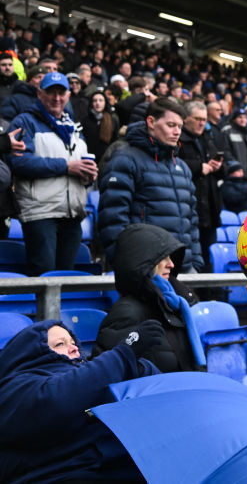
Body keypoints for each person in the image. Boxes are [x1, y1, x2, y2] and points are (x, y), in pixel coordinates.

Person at [0, 319, 162, 483]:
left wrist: (138, 368)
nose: (74, 347)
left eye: (73, 342)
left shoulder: (94, 376)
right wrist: (123, 355)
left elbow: (159, 389)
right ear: (30, 355)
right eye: (60, 344)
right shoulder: (14, 388)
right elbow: (58, 400)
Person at [98, 97, 203, 273]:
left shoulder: (182, 167)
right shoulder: (125, 159)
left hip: (183, 268)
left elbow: (191, 220)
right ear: (151, 122)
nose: (177, 132)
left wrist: (196, 262)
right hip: (145, 268)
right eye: (171, 125)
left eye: (180, 126)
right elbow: (113, 218)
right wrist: (129, 264)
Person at [9, 72, 96, 275]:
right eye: (51, 92)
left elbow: (78, 163)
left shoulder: (74, 127)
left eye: (61, 93)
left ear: (68, 96)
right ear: (39, 94)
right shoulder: (25, 121)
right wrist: (67, 166)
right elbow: (20, 162)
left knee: (67, 276)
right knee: (44, 274)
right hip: (41, 212)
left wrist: (88, 174)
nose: (56, 98)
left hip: (72, 212)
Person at [92, 223, 203, 372]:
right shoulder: (126, 313)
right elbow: (107, 372)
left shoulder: (175, 304)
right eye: (163, 257)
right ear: (143, 262)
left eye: (170, 257)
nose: (171, 264)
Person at [178, 100, 224, 266]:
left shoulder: (206, 139)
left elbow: (217, 166)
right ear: (186, 119)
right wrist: (198, 167)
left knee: (209, 258)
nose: (202, 123)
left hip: (210, 210)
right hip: (191, 209)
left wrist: (218, 166)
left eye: (204, 119)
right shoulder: (178, 139)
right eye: (197, 119)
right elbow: (174, 164)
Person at [80, 89, 119, 159]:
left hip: (106, 159)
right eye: (95, 101)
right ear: (91, 103)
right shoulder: (85, 120)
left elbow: (115, 140)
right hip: (90, 157)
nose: (98, 103)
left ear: (105, 102)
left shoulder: (113, 119)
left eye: (101, 100)